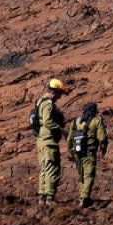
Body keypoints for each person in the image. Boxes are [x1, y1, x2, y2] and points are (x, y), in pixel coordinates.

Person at [34, 78, 68, 206]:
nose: (59, 97)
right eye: (59, 94)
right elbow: (47, 121)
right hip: (48, 141)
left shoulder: (40, 102)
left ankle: (42, 197)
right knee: (52, 169)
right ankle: (49, 198)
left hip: (41, 140)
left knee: (44, 169)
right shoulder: (48, 103)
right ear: (54, 92)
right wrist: (61, 130)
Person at [68, 101, 108, 207]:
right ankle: (84, 197)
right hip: (89, 152)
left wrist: (70, 152)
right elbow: (102, 138)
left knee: (81, 175)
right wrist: (103, 149)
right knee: (89, 175)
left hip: (76, 152)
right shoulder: (96, 121)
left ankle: (82, 195)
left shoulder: (76, 122)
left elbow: (69, 139)